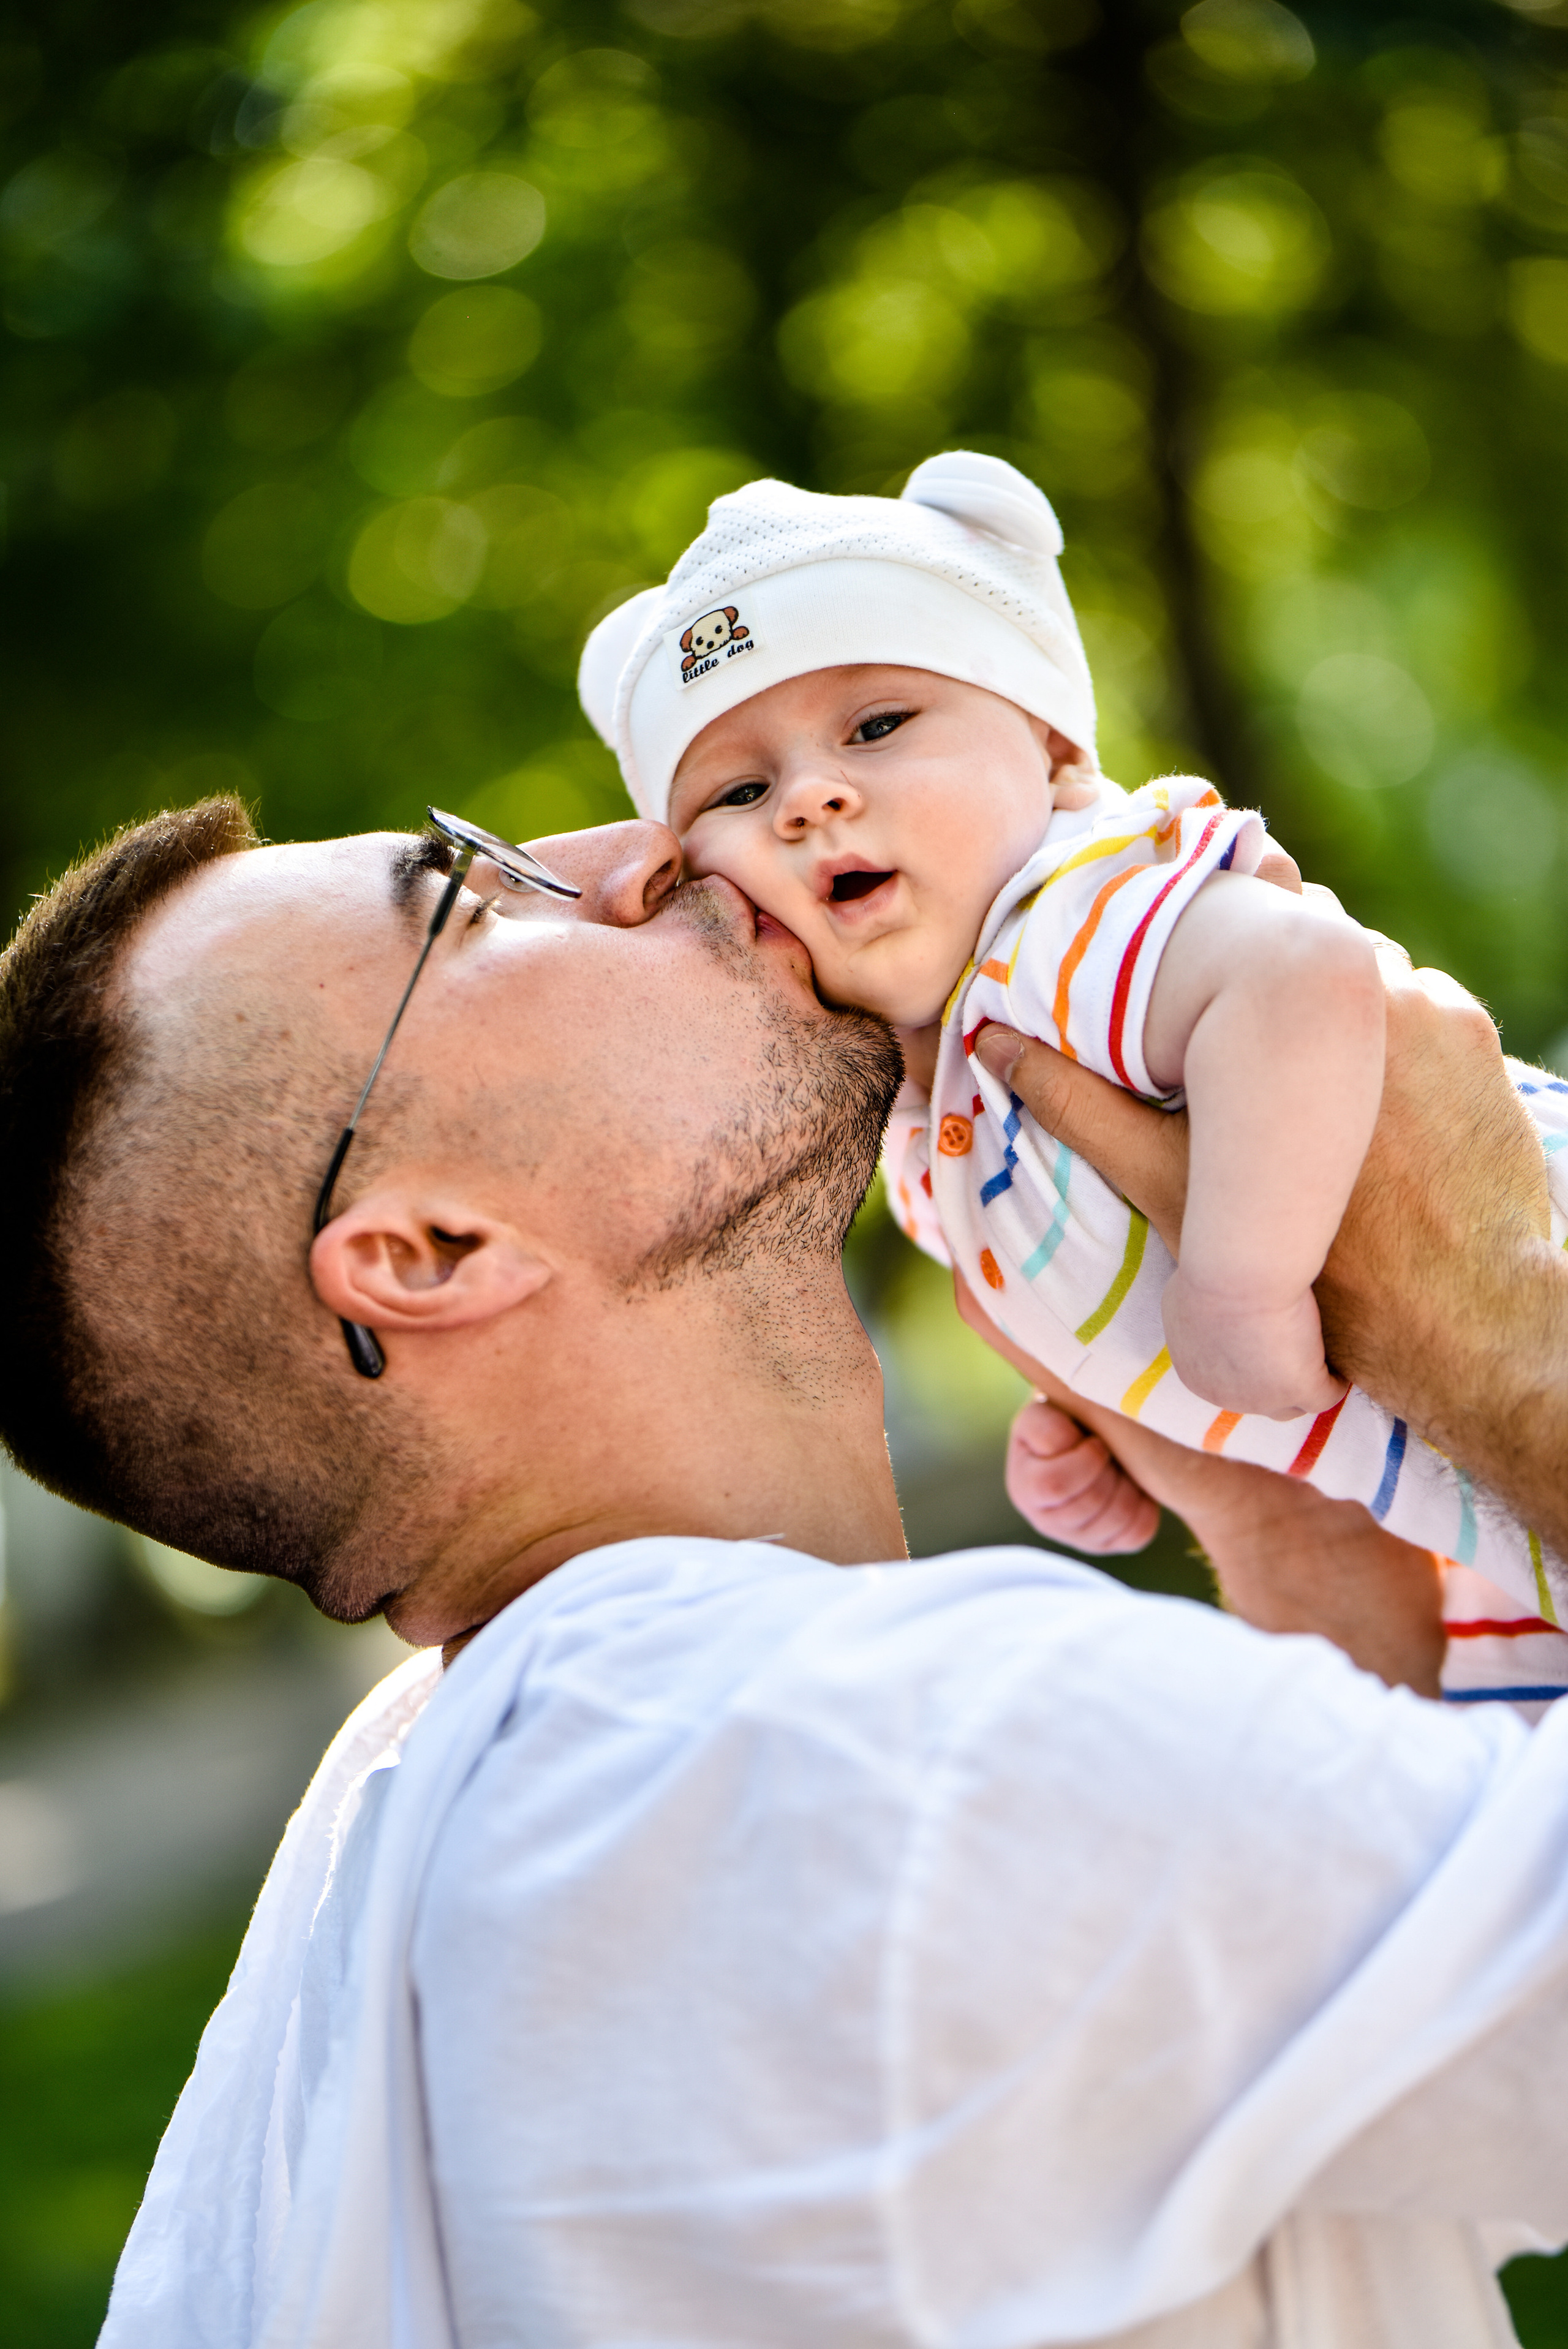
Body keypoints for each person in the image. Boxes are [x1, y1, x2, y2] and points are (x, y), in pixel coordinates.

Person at [3, 798, 1567, 2348]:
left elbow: (1428, 2104)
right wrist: (1501, 1338)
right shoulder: (850, 1762)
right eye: (472, 900)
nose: (646, 843)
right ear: (429, 1254)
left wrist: (1283, 1518)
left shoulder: (453, 1802)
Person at [578, 451, 1568, 1626]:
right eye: (735, 795)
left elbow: (1305, 974)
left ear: (1051, 753)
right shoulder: (928, 1095)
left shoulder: (1065, 921)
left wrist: (1236, 1295)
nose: (808, 798)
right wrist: (1120, 1410)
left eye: (879, 724)